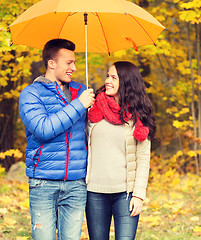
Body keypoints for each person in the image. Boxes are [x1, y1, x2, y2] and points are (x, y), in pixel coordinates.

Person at [19, 38, 95, 240]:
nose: (74, 67)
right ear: (51, 63)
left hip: (76, 183)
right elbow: (43, 129)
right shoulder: (31, 94)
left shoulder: (81, 92)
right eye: (69, 62)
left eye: (75, 62)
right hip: (43, 181)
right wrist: (79, 105)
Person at [86, 61, 156, 240]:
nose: (107, 80)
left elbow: (143, 159)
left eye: (113, 77)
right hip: (95, 192)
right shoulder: (94, 110)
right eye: (108, 76)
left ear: (126, 82)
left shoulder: (138, 116)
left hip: (126, 194)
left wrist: (139, 195)